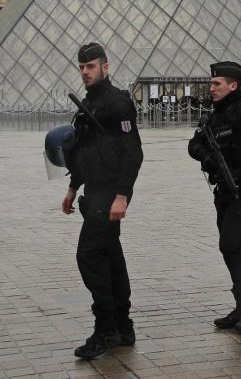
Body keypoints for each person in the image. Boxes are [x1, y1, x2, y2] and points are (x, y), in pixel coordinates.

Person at [61, 42, 143, 359]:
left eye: (91, 66)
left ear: (105, 67)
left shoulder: (118, 103)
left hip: (109, 192)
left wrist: (122, 195)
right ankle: (122, 327)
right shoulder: (88, 103)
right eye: (81, 67)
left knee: (89, 256)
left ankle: (105, 329)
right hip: (93, 190)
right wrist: (72, 188)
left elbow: (132, 152)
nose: (85, 72)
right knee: (110, 257)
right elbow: (84, 151)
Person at [187, 62, 241, 333]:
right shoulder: (215, 116)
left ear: (233, 85)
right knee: (233, 246)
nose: (211, 88)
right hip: (223, 191)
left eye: (217, 84)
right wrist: (208, 157)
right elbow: (194, 144)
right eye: (212, 84)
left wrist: (237, 174)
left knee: (231, 244)